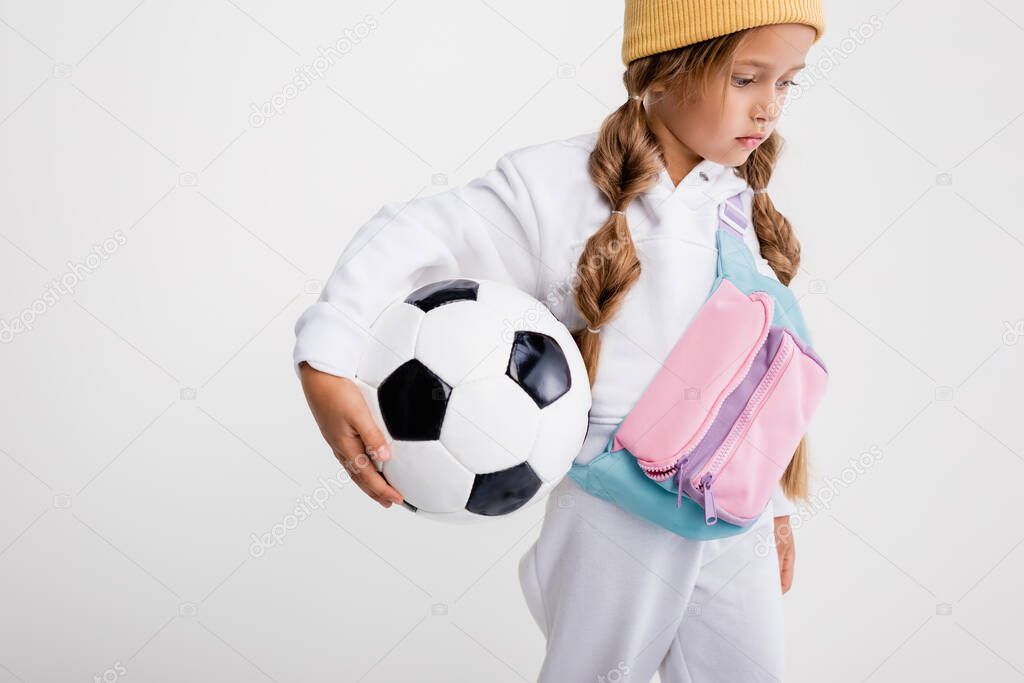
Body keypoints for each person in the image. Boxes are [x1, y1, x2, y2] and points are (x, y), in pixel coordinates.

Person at [293, 1, 826, 680]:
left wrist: (770, 502)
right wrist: (327, 355)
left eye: (787, 82)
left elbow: (753, 380)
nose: (769, 108)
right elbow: (416, 228)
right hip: (614, 508)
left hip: (732, 513)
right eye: (747, 78)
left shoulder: (738, 205)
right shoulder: (556, 186)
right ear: (662, 69)